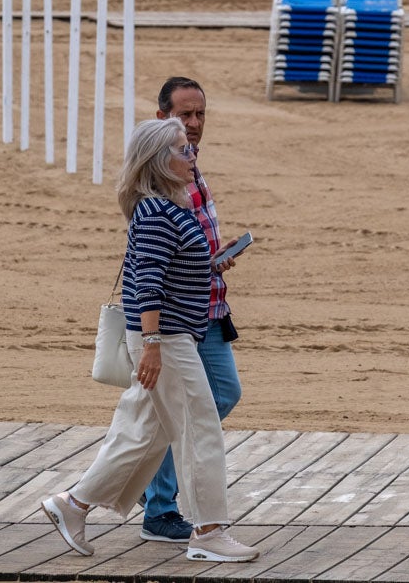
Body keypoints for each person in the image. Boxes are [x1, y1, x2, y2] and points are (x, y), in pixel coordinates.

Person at [40, 117, 259, 564]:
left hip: (172, 337)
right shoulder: (158, 212)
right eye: (182, 149)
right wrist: (154, 343)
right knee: (200, 429)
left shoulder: (168, 208)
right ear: (159, 160)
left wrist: (212, 263)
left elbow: (169, 270)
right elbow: (147, 284)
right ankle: (208, 531)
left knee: (141, 431)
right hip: (168, 340)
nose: (191, 154)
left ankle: (73, 505)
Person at [136, 77, 245, 542]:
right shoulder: (157, 176)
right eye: (185, 115)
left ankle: (149, 487)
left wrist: (213, 259)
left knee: (219, 396)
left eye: (201, 114)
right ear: (162, 117)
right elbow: (152, 263)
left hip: (210, 305)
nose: (195, 123)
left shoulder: (191, 164)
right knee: (173, 413)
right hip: (178, 315)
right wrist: (151, 339)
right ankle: (158, 505)